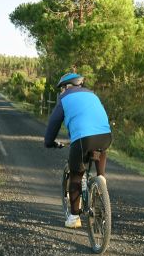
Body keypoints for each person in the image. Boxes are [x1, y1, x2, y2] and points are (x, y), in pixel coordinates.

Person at [45, 72, 112, 229]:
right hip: (105, 136)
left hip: (83, 139)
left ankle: (74, 217)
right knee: (99, 148)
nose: (61, 92)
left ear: (67, 86)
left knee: (76, 176)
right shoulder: (93, 95)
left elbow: (54, 122)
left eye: (61, 89)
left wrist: (49, 142)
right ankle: (101, 179)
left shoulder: (65, 98)